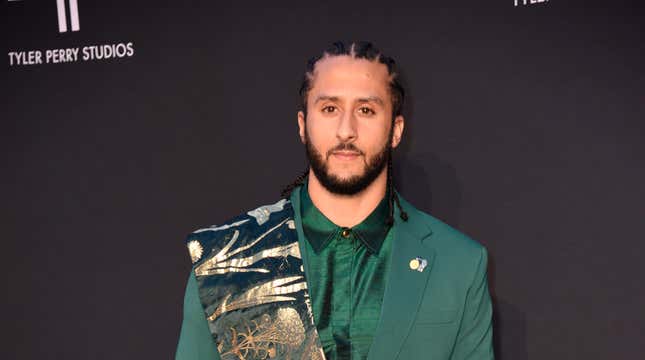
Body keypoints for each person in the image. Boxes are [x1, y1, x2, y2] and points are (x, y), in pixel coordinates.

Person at [175, 41, 494, 360]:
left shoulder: (458, 264)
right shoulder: (225, 260)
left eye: (366, 110)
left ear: (396, 130)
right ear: (303, 125)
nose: (346, 130)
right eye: (330, 109)